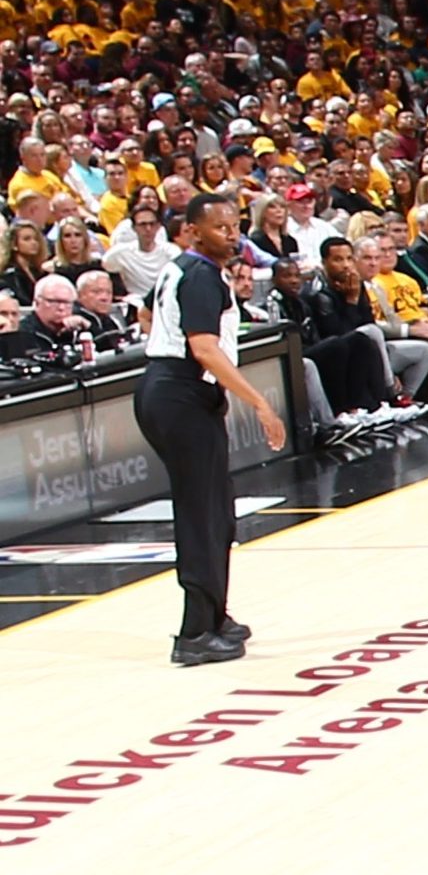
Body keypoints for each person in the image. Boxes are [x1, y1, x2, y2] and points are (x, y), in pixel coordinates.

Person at [138, 194, 283, 666]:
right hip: (179, 392)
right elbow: (203, 348)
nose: (232, 233)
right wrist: (260, 402)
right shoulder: (200, 274)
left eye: (236, 224)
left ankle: (215, 615)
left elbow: (153, 315)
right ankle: (194, 633)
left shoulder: (186, 269)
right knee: (201, 513)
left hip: (175, 391)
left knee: (217, 509)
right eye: (220, 227)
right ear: (194, 231)